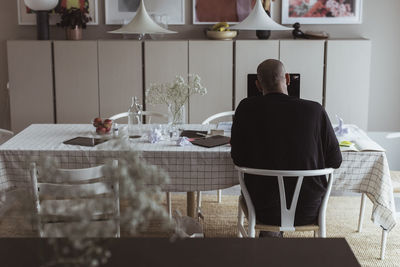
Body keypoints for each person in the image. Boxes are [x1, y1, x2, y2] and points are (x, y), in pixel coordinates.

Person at [230, 59, 342, 236]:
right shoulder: (315, 110)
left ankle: (270, 234)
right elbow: (335, 161)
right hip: (308, 209)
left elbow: (238, 157)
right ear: (288, 79)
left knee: (266, 193)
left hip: (262, 208)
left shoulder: (245, 108)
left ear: (258, 85)